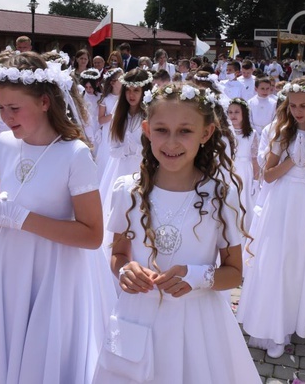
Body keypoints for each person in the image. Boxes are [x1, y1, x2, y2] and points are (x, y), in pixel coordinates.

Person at [93, 82, 258, 383]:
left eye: (185, 131)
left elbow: (234, 272)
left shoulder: (220, 195)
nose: (171, 143)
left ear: (206, 133)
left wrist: (196, 276)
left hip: (197, 322)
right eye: (161, 130)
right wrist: (125, 269)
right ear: (146, 129)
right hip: (139, 316)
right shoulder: (127, 191)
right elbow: (117, 254)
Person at [0, 51, 114, 383]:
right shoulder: (4, 145)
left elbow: (92, 235)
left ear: (45, 102)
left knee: (45, 349)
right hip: (11, 264)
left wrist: (20, 216)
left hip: (55, 271)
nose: (5, 117)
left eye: (14, 108)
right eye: (0, 107)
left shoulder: (74, 154)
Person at [237, 78, 305, 358]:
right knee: (279, 261)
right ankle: (274, 324)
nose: (298, 111)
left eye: (304, 106)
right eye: (293, 105)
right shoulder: (281, 132)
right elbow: (268, 176)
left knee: (303, 262)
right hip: (282, 203)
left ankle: (299, 312)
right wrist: (290, 160)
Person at [99, 68, 151, 217]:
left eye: (136, 90)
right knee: (120, 210)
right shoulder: (120, 113)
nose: (131, 94)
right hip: (121, 168)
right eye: (128, 90)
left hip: (144, 169)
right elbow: (112, 148)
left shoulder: (149, 114)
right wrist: (126, 150)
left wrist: (137, 149)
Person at [227, 98, 259, 231]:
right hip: (229, 168)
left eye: (236, 112)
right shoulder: (225, 132)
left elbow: (255, 159)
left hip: (245, 170)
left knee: (243, 199)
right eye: (230, 112)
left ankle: (243, 230)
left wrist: (256, 180)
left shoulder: (251, 134)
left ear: (244, 114)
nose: (233, 115)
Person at [96, 67, 123, 176]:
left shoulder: (124, 97)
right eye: (120, 78)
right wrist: (113, 115)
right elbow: (101, 120)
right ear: (113, 82)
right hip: (109, 131)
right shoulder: (106, 99)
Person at [79, 68, 102, 148]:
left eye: (91, 87)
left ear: (96, 84)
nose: (88, 89)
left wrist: (101, 129)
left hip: (98, 126)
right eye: (86, 87)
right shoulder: (81, 96)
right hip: (86, 126)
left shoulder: (100, 97)